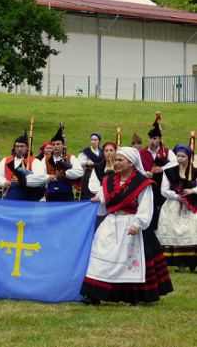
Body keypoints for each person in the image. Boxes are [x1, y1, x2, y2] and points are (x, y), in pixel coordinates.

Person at [81, 147, 173, 306]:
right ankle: (94, 294)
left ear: (131, 162)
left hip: (130, 224)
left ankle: (134, 297)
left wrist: (138, 224)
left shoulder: (142, 182)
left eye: (120, 160)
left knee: (130, 261)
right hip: (110, 223)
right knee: (101, 257)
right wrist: (98, 199)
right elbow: (104, 197)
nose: (116, 163)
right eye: (116, 160)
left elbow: (146, 206)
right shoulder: (108, 180)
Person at [156, 145, 197, 273]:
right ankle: (180, 266)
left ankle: (191, 263)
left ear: (189, 158)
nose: (179, 159)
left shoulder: (195, 172)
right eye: (178, 156)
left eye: (183, 156)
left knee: (192, 231)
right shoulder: (169, 171)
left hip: (191, 206)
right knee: (173, 230)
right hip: (173, 205)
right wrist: (176, 196)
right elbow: (164, 190)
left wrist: (192, 190)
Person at [139, 123, 177, 231]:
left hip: (163, 186)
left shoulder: (167, 152)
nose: (152, 141)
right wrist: (145, 173)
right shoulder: (141, 153)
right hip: (149, 187)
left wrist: (162, 169)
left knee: (164, 210)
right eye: (150, 138)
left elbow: (176, 164)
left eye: (155, 138)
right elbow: (136, 168)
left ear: (160, 139)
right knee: (151, 210)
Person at [0, 130, 46, 201]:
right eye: (17, 146)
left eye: (22, 146)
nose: (19, 149)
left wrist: (22, 181)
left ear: (27, 147)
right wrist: (4, 182)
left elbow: (40, 179)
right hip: (9, 198)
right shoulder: (6, 160)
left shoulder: (34, 161)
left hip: (27, 199)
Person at [43, 127, 83, 202]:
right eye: (53, 144)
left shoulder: (70, 157)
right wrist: (49, 177)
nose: (55, 146)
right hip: (51, 194)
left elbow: (80, 172)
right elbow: (40, 175)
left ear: (63, 145)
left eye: (58, 144)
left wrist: (65, 174)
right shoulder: (45, 159)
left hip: (67, 193)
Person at [88, 141, 117, 229]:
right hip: (101, 203)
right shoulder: (98, 168)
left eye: (111, 150)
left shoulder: (120, 166)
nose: (109, 153)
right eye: (106, 150)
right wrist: (106, 191)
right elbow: (93, 185)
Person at [78, 133, 104, 201]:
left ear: (99, 141)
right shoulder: (86, 151)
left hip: (100, 174)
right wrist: (86, 162)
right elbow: (78, 162)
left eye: (95, 140)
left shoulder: (102, 152)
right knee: (87, 191)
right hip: (89, 173)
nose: (93, 141)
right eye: (92, 139)